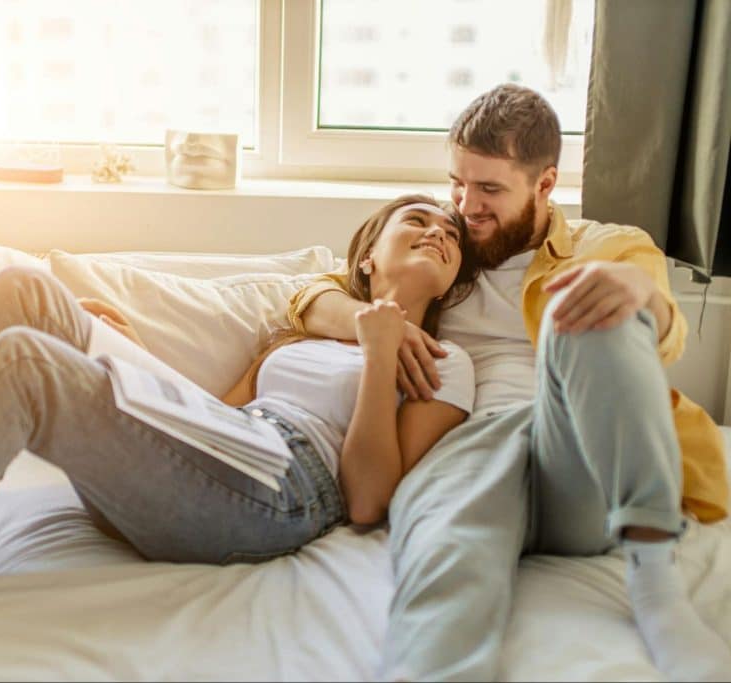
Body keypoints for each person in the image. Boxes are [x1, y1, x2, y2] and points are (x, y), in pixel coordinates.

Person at [0, 193, 478, 646]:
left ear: (452, 279)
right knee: (22, 292)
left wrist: (381, 353)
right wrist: (132, 354)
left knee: (26, 364)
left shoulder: (450, 366)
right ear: (366, 256)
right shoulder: (297, 333)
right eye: (417, 219)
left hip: (285, 491)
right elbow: (220, 417)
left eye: (450, 234)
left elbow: (367, 499)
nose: (439, 230)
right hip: (221, 454)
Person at [286, 84, 731, 681]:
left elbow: (663, 337)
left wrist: (643, 296)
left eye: (490, 190)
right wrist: (379, 326)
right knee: (450, 562)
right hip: (462, 456)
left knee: (592, 298)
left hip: (577, 456)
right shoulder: (446, 248)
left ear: (545, 184)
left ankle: (656, 584)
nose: (466, 206)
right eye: (457, 183)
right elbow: (312, 293)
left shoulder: (608, 246)